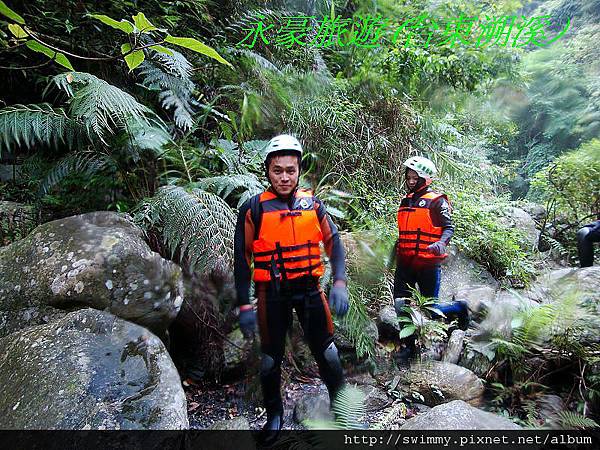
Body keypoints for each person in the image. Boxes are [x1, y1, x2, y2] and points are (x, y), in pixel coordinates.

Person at [234, 134, 349, 443]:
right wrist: (243, 304)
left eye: (290, 170)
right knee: (271, 358)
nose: (284, 177)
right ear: (267, 171)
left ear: (299, 170)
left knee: (329, 353)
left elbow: (334, 244)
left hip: (310, 290)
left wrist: (339, 281)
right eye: (277, 170)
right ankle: (274, 417)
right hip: (271, 294)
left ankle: (343, 413)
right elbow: (242, 260)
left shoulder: (313, 205)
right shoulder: (253, 210)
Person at [393, 156, 468, 362]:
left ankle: (460, 307)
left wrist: (441, 243)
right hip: (405, 263)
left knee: (430, 310)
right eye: (408, 177)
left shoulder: (437, 201)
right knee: (400, 303)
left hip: (427, 263)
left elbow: (448, 227)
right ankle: (408, 347)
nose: (410, 180)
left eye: (414, 177)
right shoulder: (405, 201)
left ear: (424, 179)